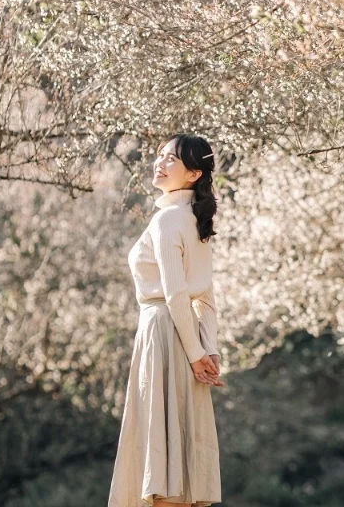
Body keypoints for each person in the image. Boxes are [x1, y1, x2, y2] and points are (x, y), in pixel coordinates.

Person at [108, 133, 225, 507]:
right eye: (159, 156)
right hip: (186, 337)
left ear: (192, 174)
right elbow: (204, 296)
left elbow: (177, 294)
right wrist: (209, 349)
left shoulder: (167, 221)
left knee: (162, 459)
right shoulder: (196, 221)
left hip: (163, 332)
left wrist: (196, 355)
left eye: (170, 159)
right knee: (179, 457)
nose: (159, 163)